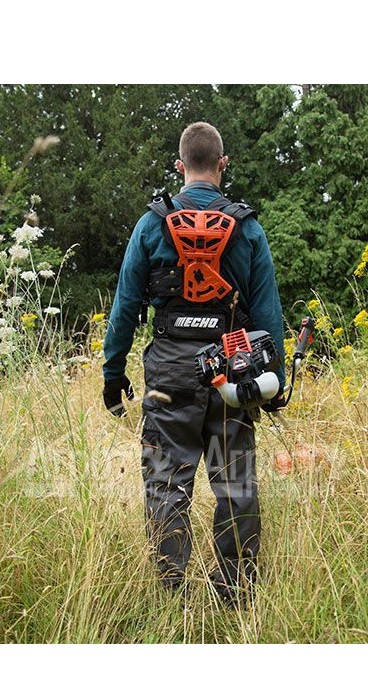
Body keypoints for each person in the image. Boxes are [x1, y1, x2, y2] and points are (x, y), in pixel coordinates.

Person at [102, 121, 285, 605]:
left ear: (180, 166)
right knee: (236, 484)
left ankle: (171, 597)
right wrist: (275, 382)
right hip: (234, 370)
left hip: (168, 373)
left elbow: (124, 307)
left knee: (166, 485)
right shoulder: (247, 228)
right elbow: (269, 314)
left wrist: (113, 373)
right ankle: (236, 594)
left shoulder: (151, 225)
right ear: (223, 164)